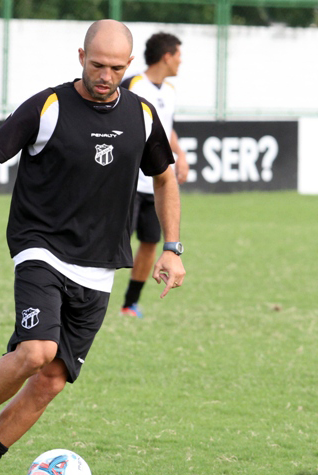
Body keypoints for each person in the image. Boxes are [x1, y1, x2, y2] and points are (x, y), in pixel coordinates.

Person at [0, 19, 185, 475]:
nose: (106, 76)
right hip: (39, 246)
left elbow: (165, 177)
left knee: (51, 382)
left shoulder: (142, 115)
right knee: (36, 351)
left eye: (116, 68)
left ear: (128, 67)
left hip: (100, 265)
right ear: (80, 55)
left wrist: (172, 247)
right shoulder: (50, 105)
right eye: (97, 64)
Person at [120, 32, 189, 318]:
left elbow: (165, 128)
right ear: (167, 56)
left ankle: (129, 304)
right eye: (179, 55)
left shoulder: (169, 91)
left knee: (149, 243)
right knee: (113, 243)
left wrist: (180, 154)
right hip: (128, 183)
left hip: (157, 186)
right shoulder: (134, 85)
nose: (181, 61)